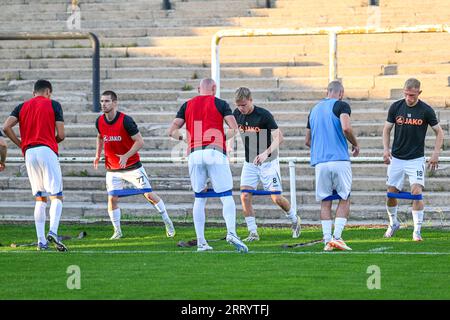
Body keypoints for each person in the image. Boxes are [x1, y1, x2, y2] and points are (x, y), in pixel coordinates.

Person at [168, 78, 248, 252]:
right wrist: (219, 138)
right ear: (214, 88)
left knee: (199, 197)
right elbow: (235, 129)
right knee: (226, 195)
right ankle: (232, 233)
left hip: (195, 153)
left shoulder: (187, 105)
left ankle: (201, 242)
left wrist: (185, 138)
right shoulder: (220, 103)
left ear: (198, 89)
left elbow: (171, 131)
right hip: (215, 151)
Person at [94, 90, 175, 240]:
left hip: (132, 167)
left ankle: (167, 221)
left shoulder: (126, 121)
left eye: (107, 101)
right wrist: (98, 155)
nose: (103, 104)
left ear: (115, 103)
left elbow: (140, 141)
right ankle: (117, 231)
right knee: (112, 198)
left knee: (149, 195)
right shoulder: (99, 121)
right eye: (102, 101)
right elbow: (100, 137)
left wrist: (126, 156)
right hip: (112, 168)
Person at [2, 79, 67, 251]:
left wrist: (21, 144)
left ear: (33, 93)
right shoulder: (53, 105)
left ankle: (41, 241)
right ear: (48, 92)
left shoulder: (22, 106)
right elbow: (61, 134)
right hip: (47, 149)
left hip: (29, 153)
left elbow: (6, 127)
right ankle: (53, 231)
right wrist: (52, 141)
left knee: (39, 197)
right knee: (56, 195)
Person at [233, 87, 300, 241]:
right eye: (238, 105)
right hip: (250, 162)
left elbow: (279, 137)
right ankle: (253, 232)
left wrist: (265, 154)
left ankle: (294, 219)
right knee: (244, 196)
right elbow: (232, 131)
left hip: (269, 161)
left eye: (243, 105)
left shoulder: (263, 115)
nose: (241, 108)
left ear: (250, 100)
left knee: (276, 198)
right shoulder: (237, 114)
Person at [382, 78, 444, 241]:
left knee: (416, 192)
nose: (409, 98)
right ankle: (393, 222)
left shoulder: (426, 110)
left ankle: (417, 231)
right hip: (397, 158)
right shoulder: (396, 107)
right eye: (407, 94)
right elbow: (387, 129)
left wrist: (435, 153)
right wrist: (386, 149)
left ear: (419, 93)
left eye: (412, 95)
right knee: (391, 194)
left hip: (416, 159)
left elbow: (440, 132)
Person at [305, 80, 360, 251]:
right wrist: (355, 144)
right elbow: (346, 128)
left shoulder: (313, 110)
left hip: (320, 162)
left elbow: (307, 141)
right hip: (339, 160)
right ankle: (337, 237)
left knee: (325, 202)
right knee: (344, 198)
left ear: (327, 91)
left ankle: (327, 239)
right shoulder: (341, 105)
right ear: (341, 93)